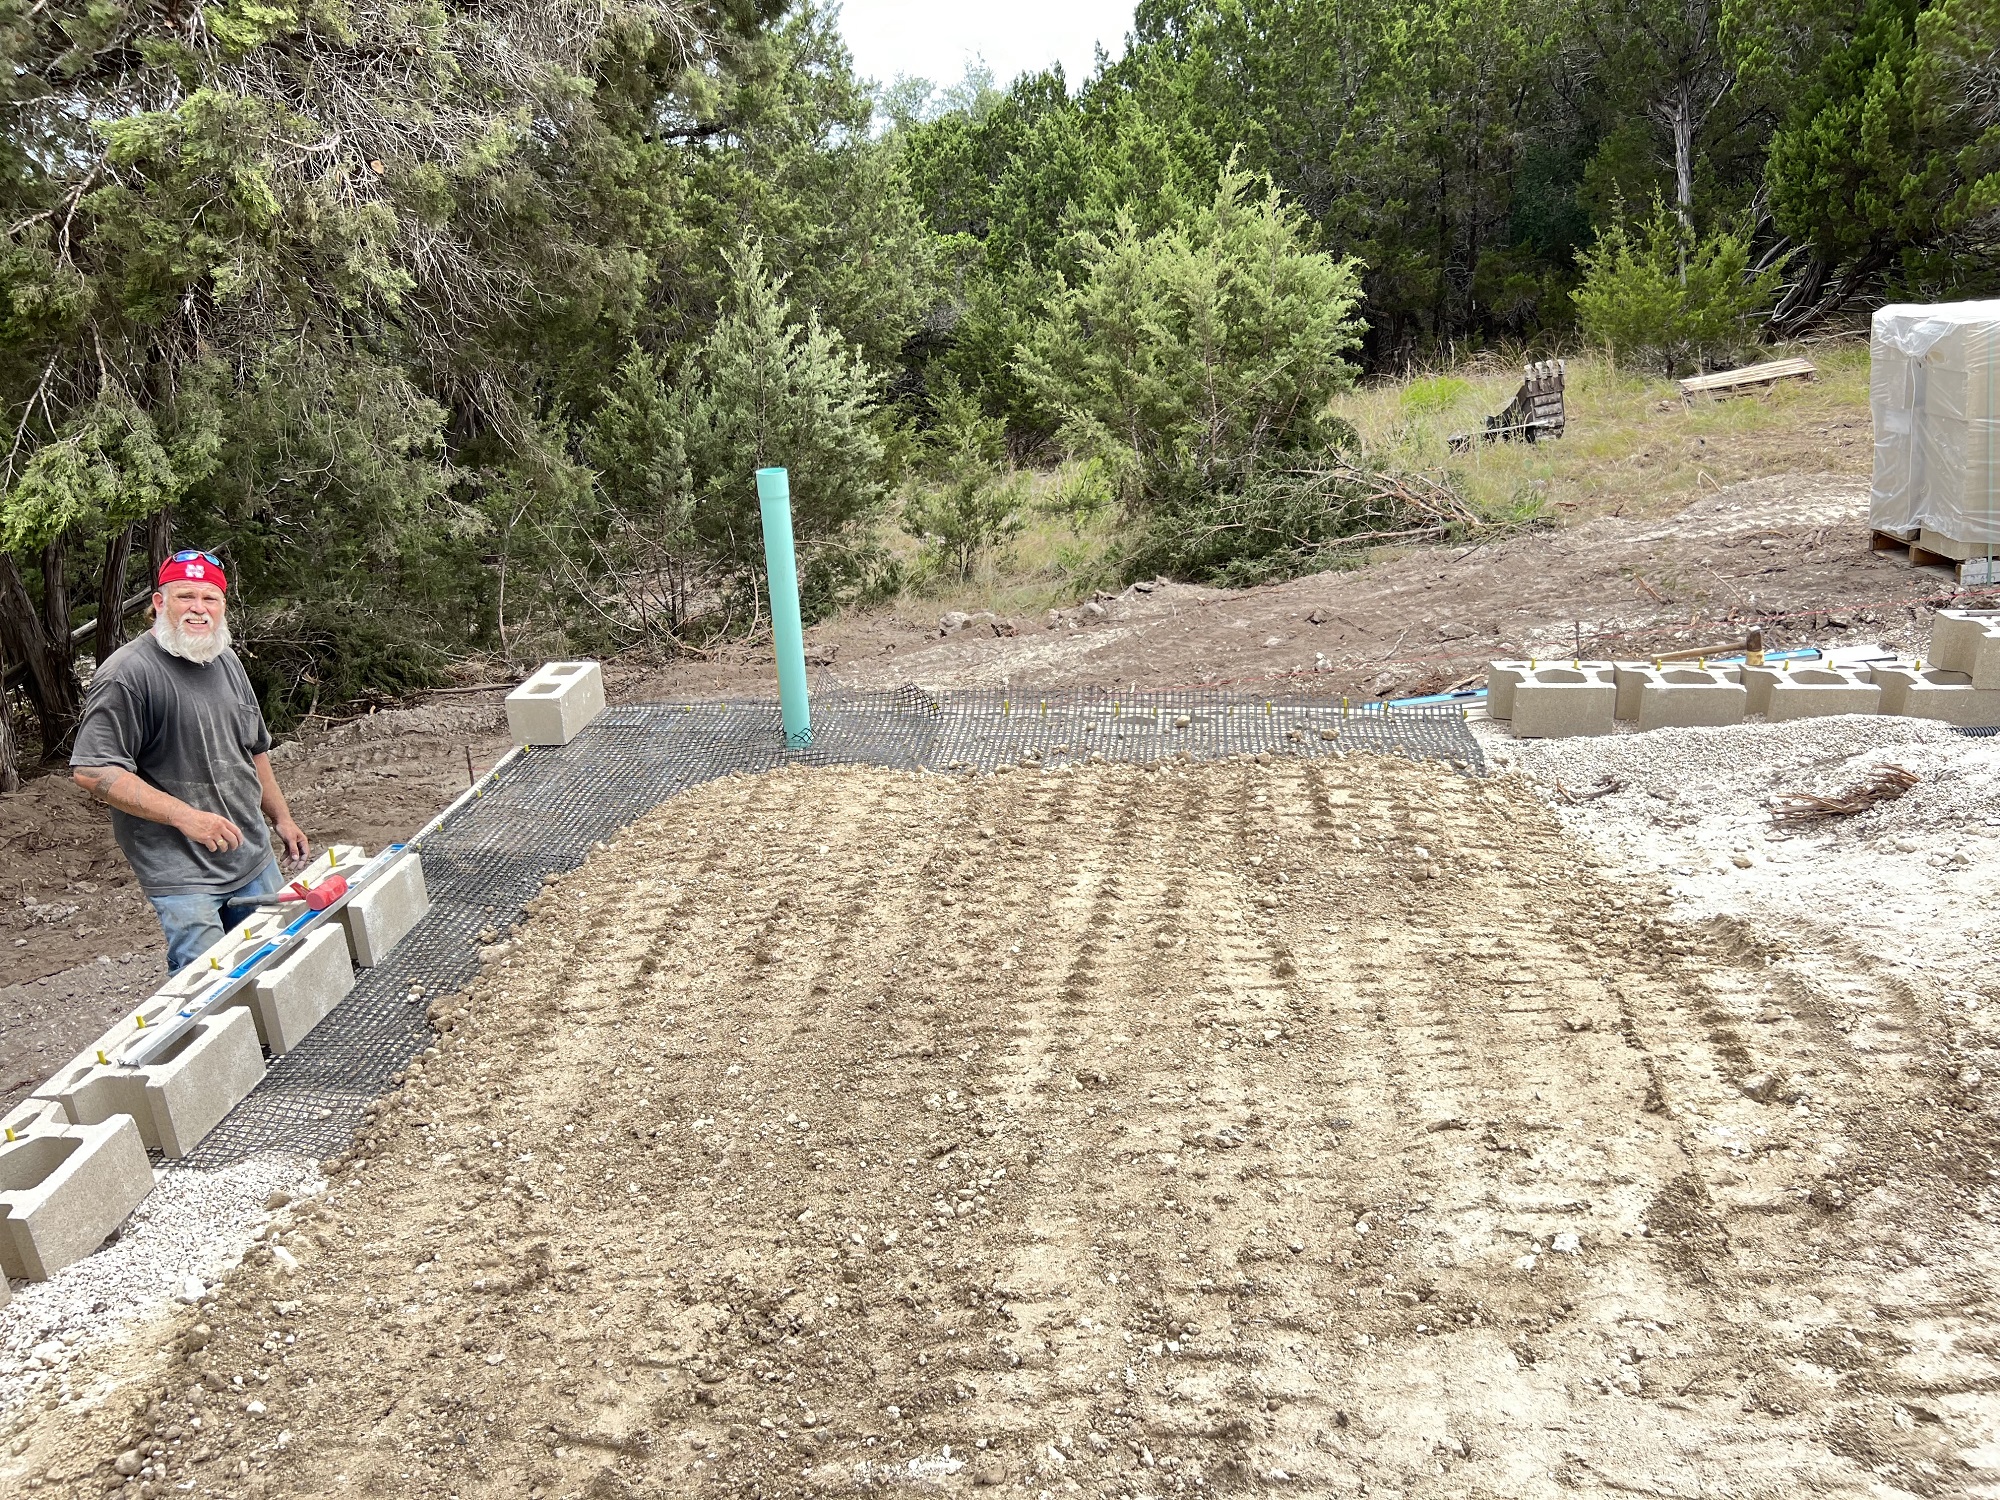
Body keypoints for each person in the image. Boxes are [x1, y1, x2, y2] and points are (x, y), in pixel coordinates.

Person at [71, 550, 310, 972]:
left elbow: (253, 749)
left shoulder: (225, 660)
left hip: (251, 854)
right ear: (160, 604)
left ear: (222, 606)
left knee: (279, 965)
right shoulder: (127, 674)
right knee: (208, 985)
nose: (198, 609)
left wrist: (282, 818)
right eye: (185, 596)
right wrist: (188, 818)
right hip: (183, 871)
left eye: (210, 598)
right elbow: (93, 770)